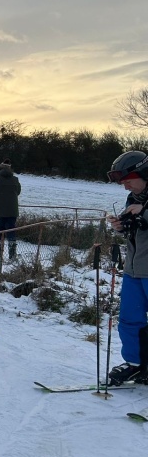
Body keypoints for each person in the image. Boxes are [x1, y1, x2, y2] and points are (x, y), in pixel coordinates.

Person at [105, 151, 148, 385]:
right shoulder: (133, 198)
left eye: (128, 181)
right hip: (134, 270)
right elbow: (136, 231)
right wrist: (121, 226)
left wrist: (145, 213)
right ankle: (135, 364)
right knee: (130, 320)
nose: (125, 188)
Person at [0, 158, 21, 260]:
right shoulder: (15, 179)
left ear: (0, 169)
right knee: (11, 229)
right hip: (13, 209)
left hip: (0, 209)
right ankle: (12, 254)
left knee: (0, 229)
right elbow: (17, 192)